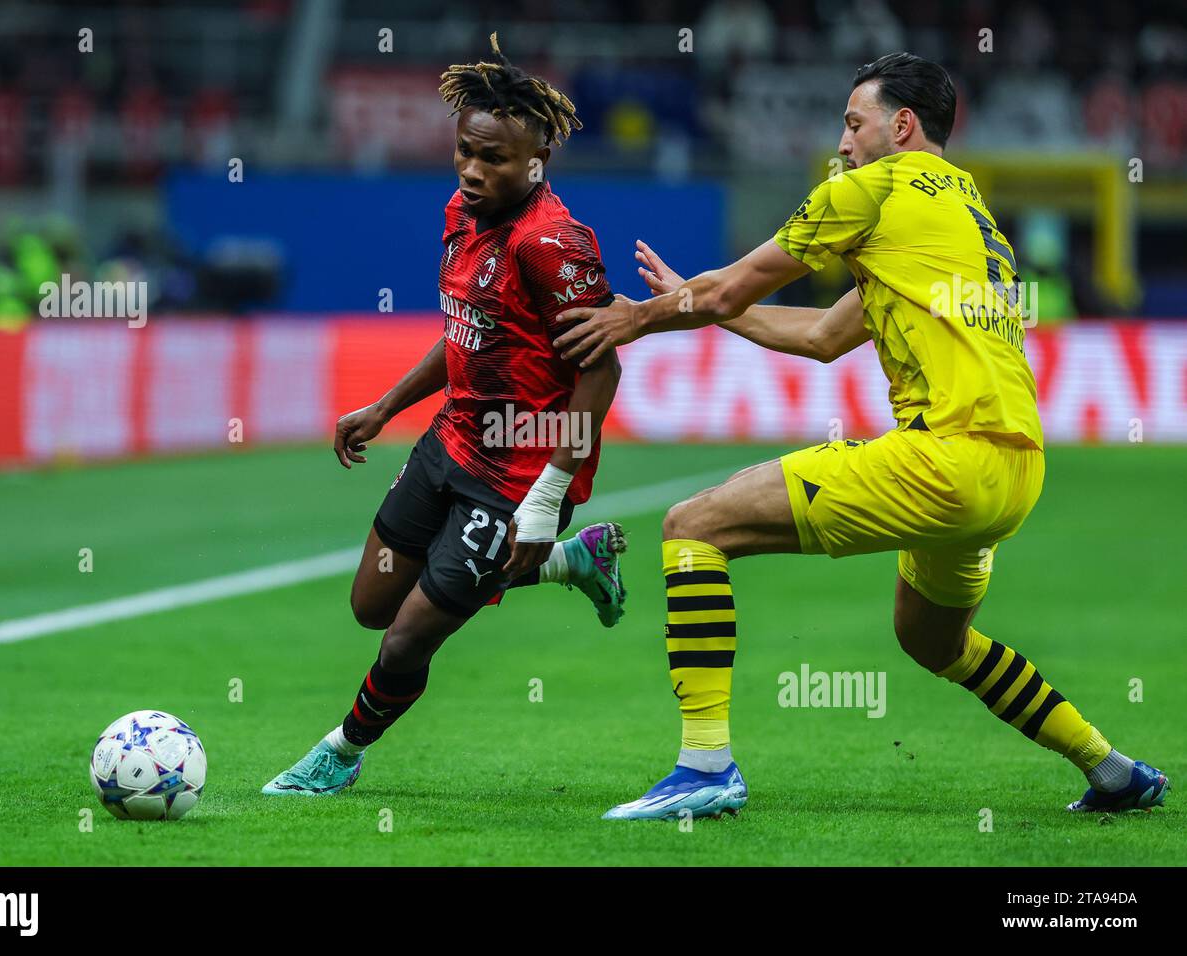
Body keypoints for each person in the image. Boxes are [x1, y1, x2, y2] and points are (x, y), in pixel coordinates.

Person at [554, 52, 1169, 819]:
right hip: (1015, 474)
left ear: (901, 124)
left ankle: (705, 766)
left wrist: (641, 316)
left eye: (853, 122)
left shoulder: (869, 189)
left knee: (693, 527)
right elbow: (819, 333)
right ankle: (1113, 771)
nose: (842, 144)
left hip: (943, 461)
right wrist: (696, 300)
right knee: (931, 640)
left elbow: (738, 285)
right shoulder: (966, 212)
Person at [263, 35, 627, 796]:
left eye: (493, 159)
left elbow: (603, 366)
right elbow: (466, 327)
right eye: (466, 151)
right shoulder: (464, 211)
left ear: (538, 160)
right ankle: (573, 560)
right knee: (371, 604)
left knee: (404, 642)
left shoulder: (554, 245)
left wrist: (550, 495)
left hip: (520, 468)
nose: (472, 169)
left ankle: (339, 752)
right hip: (451, 440)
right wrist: (387, 405)